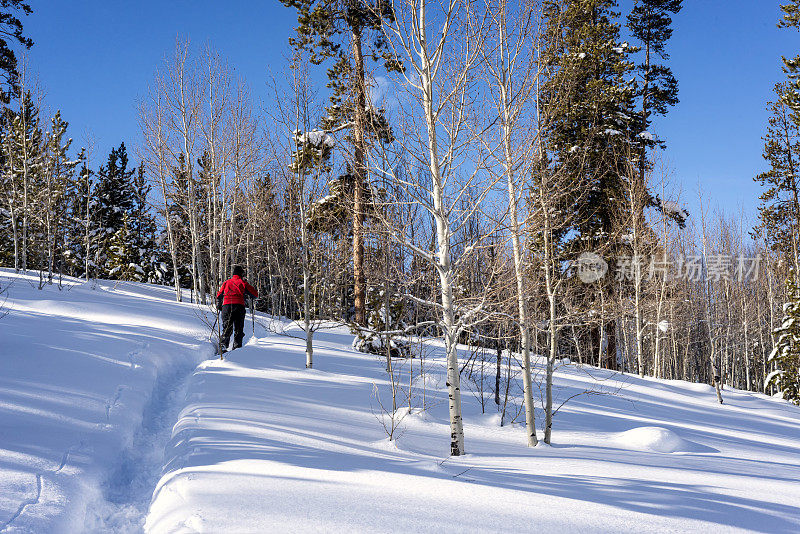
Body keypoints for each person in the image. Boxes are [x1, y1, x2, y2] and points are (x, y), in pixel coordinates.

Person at [216, 265, 258, 354]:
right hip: (239, 307)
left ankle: (223, 345)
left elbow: (219, 295)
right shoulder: (243, 283)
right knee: (238, 328)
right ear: (241, 274)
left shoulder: (226, 282)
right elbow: (255, 295)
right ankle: (237, 348)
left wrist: (219, 306)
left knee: (227, 327)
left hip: (227, 306)